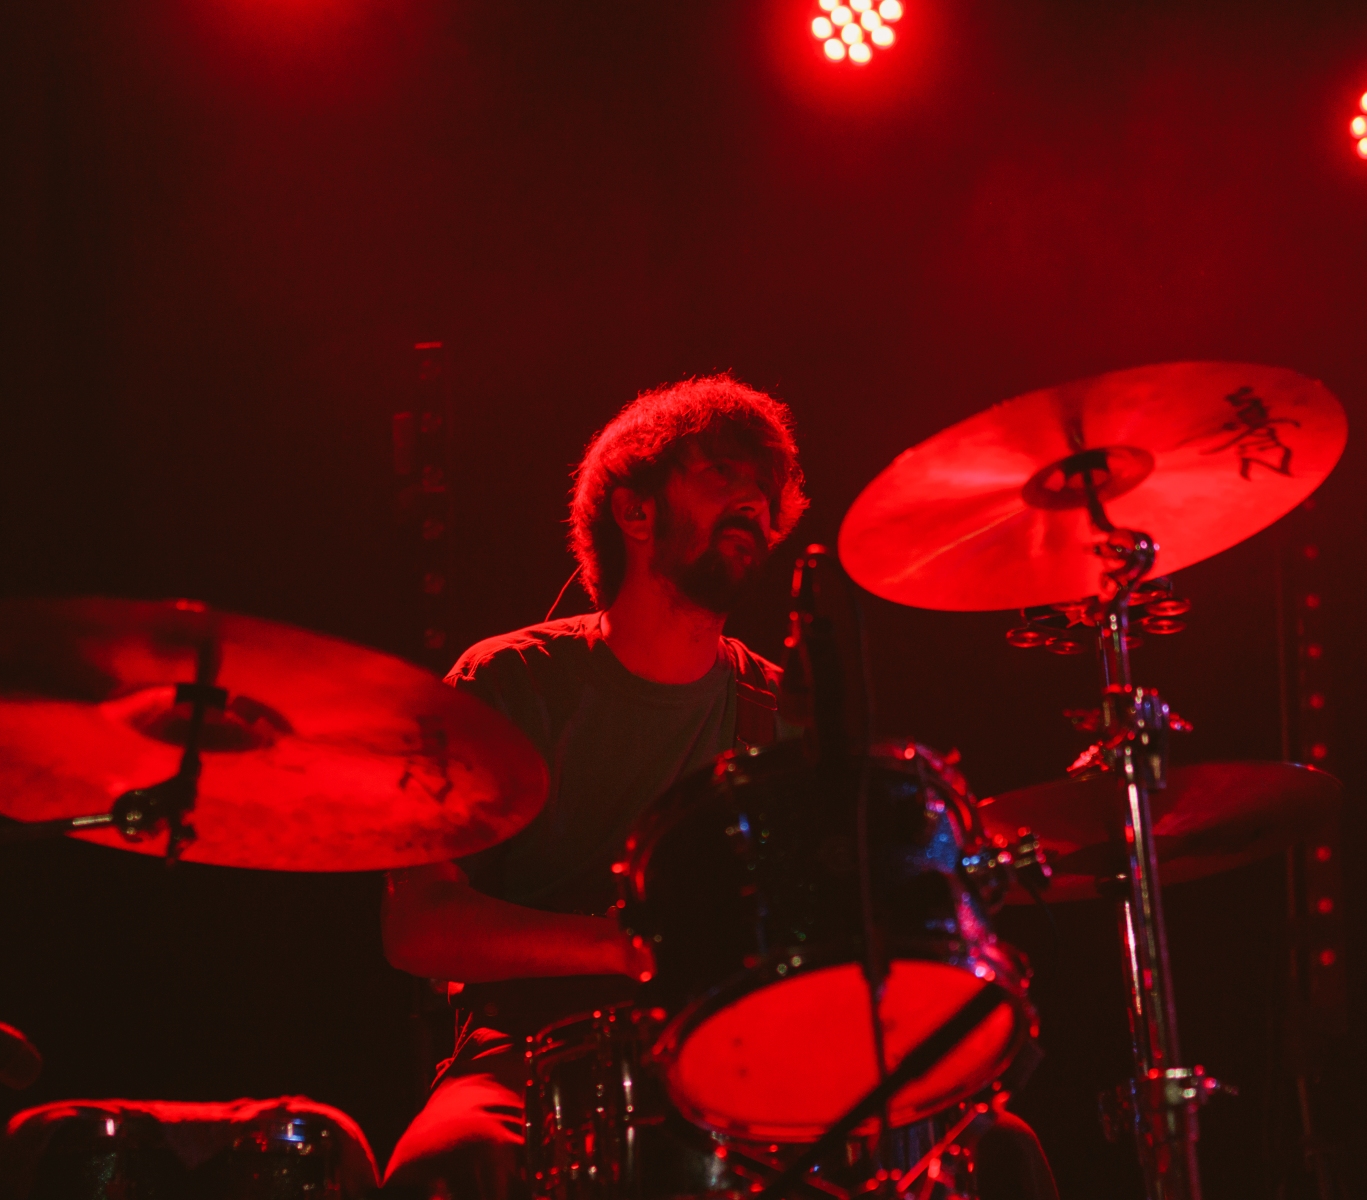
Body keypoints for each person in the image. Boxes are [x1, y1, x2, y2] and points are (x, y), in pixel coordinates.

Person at [380, 375, 1057, 1200]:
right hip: (528, 1053)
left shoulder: (782, 710)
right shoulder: (506, 681)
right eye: (722, 475)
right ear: (635, 512)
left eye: (766, 494)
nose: (754, 505)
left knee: (997, 1148)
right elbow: (417, 924)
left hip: (757, 1055)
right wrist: (621, 945)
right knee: (442, 1166)